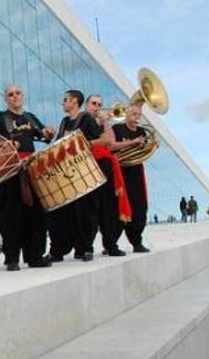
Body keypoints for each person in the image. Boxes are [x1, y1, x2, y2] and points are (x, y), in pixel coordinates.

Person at [0, 83, 55, 270]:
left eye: (18, 93)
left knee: (36, 213)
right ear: (5, 98)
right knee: (11, 214)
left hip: (32, 168)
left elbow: (45, 136)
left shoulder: (30, 117)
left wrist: (49, 132)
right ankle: (12, 257)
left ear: (23, 96)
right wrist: (5, 147)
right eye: (10, 94)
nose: (15, 96)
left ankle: (34, 256)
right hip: (9, 169)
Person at [47, 90, 104, 262]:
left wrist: (78, 143)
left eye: (65, 100)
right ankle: (59, 249)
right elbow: (58, 144)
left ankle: (85, 248)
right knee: (63, 212)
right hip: (67, 172)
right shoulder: (65, 122)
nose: (63, 103)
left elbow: (103, 139)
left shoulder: (86, 119)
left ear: (74, 101)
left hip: (84, 171)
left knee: (85, 211)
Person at [84, 94, 129, 257]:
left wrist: (104, 122)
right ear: (86, 105)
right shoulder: (81, 121)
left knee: (109, 207)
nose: (97, 106)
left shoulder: (103, 122)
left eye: (99, 104)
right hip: (89, 164)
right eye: (93, 103)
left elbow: (110, 142)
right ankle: (87, 247)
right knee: (91, 208)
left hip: (105, 164)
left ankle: (110, 244)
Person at [111, 104, 151, 252]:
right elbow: (112, 146)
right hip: (120, 172)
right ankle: (111, 244)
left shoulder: (142, 131)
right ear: (126, 114)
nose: (136, 118)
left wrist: (152, 145)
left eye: (139, 115)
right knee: (118, 208)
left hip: (136, 172)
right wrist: (132, 143)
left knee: (140, 207)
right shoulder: (117, 129)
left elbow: (145, 150)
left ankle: (137, 243)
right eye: (134, 114)